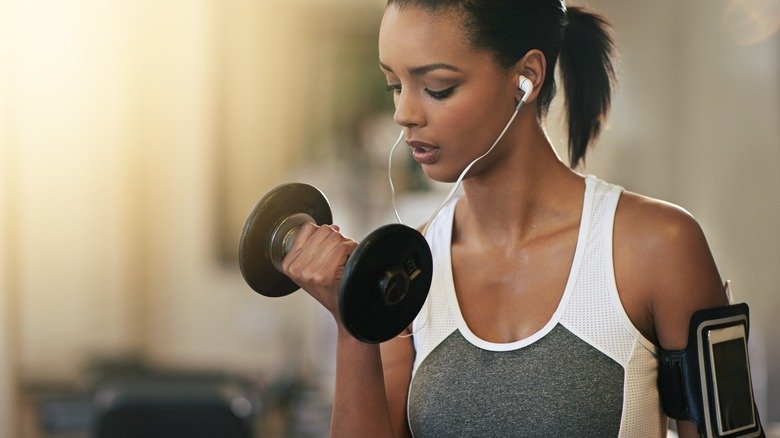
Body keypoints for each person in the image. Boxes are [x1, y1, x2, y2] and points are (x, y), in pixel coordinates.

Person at [280, 1, 729, 437]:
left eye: (437, 87)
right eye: (395, 86)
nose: (404, 115)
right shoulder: (408, 270)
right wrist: (352, 321)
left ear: (526, 79)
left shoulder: (659, 246)